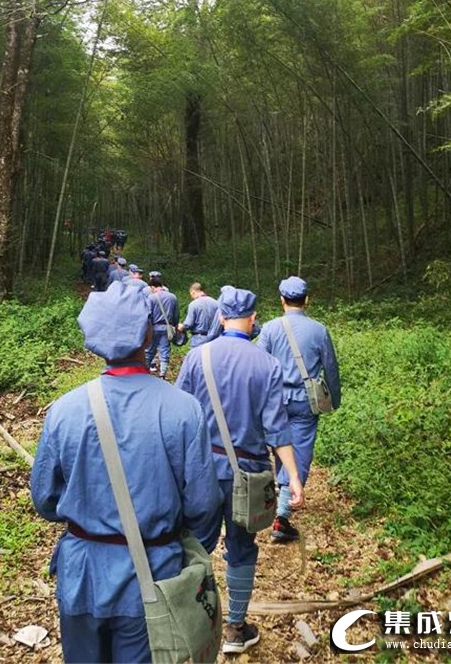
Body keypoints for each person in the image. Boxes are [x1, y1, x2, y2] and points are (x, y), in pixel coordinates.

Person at [31, 281, 222, 664]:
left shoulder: (65, 410)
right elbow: (204, 504)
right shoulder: (182, 409)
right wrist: (176, 542)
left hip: (81, 576)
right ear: (148, 333)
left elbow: (45, 499)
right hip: (153, 578)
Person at [176, 286, 304, 656]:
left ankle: (190, 623)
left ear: (220, 317)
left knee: (195, 544)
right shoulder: (267, 364)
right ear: (252, 320)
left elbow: (179, 415)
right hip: (247, 474)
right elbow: (278, 429)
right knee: (242, 547)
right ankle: (234, 629)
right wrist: (292, 476)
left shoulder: (196, 358)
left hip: (199, 469)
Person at [256, 275, 341, 543]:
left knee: (281, 446)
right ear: (307, 300)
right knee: (300, 450)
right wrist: (334, 399)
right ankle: (281, 517)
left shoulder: (269, 329)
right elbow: (331, 369)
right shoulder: (319, 330)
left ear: (281, 301)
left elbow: (258, 366)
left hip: (274, 400)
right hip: (306, 401)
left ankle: (282, 494)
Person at [145, 274, 179, 378]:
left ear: (153, 287)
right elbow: (176, 314)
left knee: (149, 351)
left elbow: (148, 314)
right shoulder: (173, 297)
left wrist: (147, 328)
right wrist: (175, 325)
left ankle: (145, 371)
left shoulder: (151, 297)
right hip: (167, 328)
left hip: (154, 328)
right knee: (164, 351)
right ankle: (163, 374)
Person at [178, 282, 219, 347]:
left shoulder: (193, 304)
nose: (191, 297)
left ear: (193, 292)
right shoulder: (216, 302)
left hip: (199, 339)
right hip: (215, 339)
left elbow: (189, 324)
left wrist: (181, 326)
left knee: (198, 357)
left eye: (191, 294)